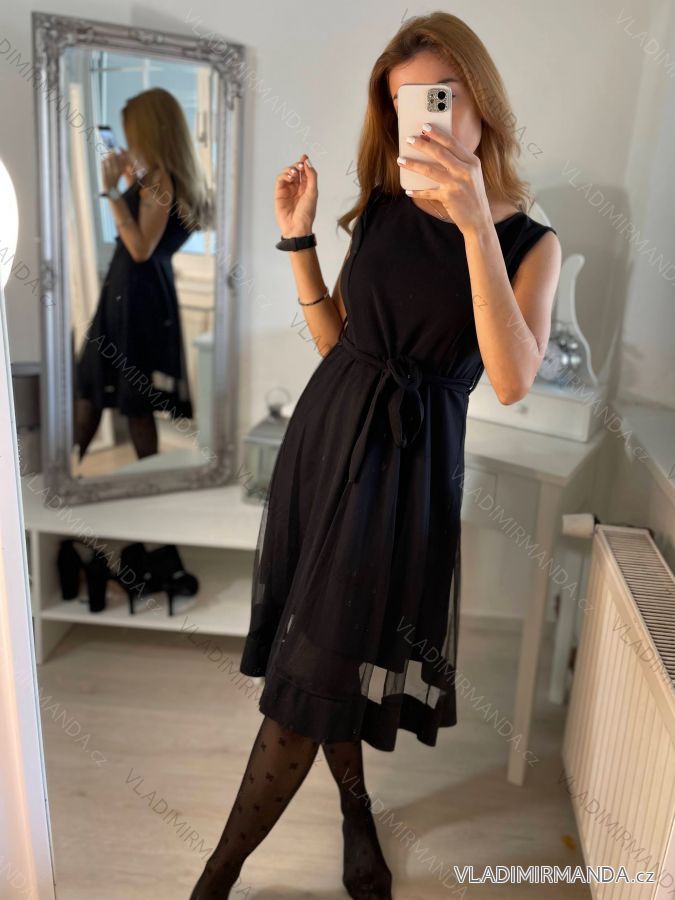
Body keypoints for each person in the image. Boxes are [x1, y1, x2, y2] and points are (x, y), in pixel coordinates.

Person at [190, 11, 561, 899]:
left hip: (404, 476)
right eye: (403, 102)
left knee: (319, 669)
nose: (423, 116)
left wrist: (474, 225)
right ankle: (354, 817)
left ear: (479, 101)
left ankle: (214, 879)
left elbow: (511, 379)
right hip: (325, 445)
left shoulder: (530, 244)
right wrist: (298, 238)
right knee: (322, 657)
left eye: (440, 95)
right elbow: (343, 344)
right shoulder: (384, 206)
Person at [75, 87, 213, 461]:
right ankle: (75, 470)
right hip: (142, 291)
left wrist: (111, 193)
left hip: (133, 295)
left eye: (134, 134)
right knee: (101, 387)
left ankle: (80, 473)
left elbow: (139, 248)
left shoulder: (159, 180)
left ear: (151, 132)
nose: (131, 142)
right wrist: (129, 183)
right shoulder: (166, 178)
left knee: (121, 394)